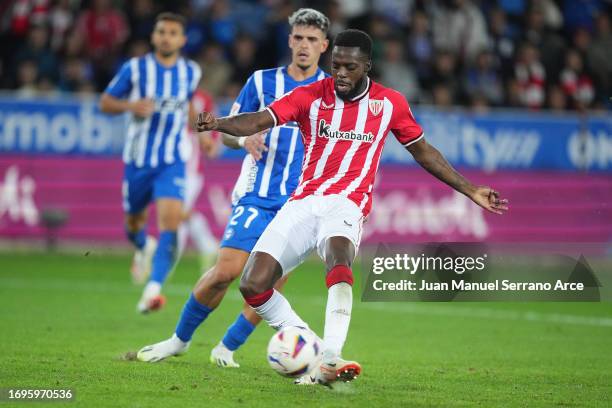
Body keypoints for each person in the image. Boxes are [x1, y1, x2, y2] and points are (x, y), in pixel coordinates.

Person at [194, 29, 509, 385]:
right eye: (336, 66)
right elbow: (259, 120)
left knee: (338, 257)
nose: (340, 73)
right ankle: (308, 342)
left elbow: (423, 151)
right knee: (252, 284)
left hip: (346, 203)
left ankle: (330, 356)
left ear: (367, 66)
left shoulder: (389, 103)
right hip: (303, 202)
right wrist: (218, 123)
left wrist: (469, 189)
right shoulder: (311, 96)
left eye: (349, 67)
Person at [136, 9, 330, 368]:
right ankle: (179, 340)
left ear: (324, 45)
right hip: (257, 194)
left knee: (269, 284)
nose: (304, 46)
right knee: (226, 271)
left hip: (299, 204)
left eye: (312, 40)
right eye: (299, 38)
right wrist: (244, 142)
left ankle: (226, 347)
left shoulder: (330, 93)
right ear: (289, 41)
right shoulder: (260, 82)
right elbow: (224, 133)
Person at [99, 12, 201, 313]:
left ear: (182, 40)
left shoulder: (191, 71)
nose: (166, 37)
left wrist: (202, 132)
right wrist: (130, 105)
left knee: (171, 222)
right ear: (154, 36)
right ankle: (143, 246)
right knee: (133, 224)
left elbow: (189, 103)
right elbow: (105, 102)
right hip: (138, 161)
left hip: (172, 160)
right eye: (161, 32)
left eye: (173, 33)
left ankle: (152, 290)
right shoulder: (135, 68)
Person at [176, 87, 220, 270]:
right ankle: (209, 246)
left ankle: (169, 259)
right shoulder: (167, 91)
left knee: (177, 213)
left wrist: (211, 141)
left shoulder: (201, 98)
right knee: (180, 212)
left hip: (190, 168)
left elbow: (208, 127)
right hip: (171, 167)